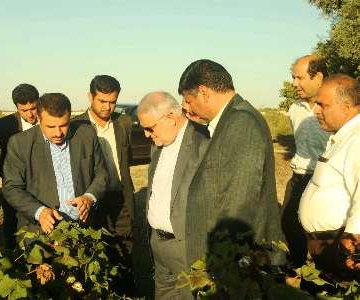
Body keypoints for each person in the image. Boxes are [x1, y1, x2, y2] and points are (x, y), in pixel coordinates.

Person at [179, 59, 284, 266]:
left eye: (189, 101)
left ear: (203, 92)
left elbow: (240, 200)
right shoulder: (229, 120)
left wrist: (223, 260)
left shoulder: (241, 122)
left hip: (236, 260)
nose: (187, 108)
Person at [138, 91, 210, 299]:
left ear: (170, 118)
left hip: (186, 248)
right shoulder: (159, 144)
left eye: (149, 128)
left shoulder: (203, 142)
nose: (146, 135)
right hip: (158, 245)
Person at [2, 93, 108, 234]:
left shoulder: (86, 134)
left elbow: (101, 173)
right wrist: (40, 212)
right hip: (41, 232)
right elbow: (11, 188)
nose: (58, 133)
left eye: (64, 125)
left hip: (84, 228)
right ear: (39, 119)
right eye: (51, 127)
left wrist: (89, 197)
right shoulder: (20, 143)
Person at [299, 74, 360, 278]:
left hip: (339, 253)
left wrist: (346, 258)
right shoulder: (344, 136)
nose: (316, 111)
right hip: (327, 249)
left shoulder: (357, 139)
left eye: (322, 105)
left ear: (346, 106)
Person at [73, 75, 134, 262]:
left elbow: (126, 159)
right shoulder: (76, 126)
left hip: (120, 198)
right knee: (95, 253)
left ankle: (127, 289)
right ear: (90, 97)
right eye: (102, 101)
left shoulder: (124, 123)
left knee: (125, 250)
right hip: (91, 201)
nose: (107, 107)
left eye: (112, 102)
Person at [281, 55, 331, 266]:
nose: (294, 83)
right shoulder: (295, 109)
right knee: (288, 227)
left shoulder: (336, 108)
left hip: (324, 182)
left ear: (318, 77)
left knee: (322, 237)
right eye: (293, 77)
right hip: (298, 178)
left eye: (299, 78)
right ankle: (296, 274)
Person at [0, 83, 39, 249]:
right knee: (12, 229)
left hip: (43, 188)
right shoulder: (3, 126)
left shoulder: (49, 122)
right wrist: (12, 179)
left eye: (33, 108)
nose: (30, 114)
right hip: (14, 187)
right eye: (24, 110)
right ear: (16, 108)